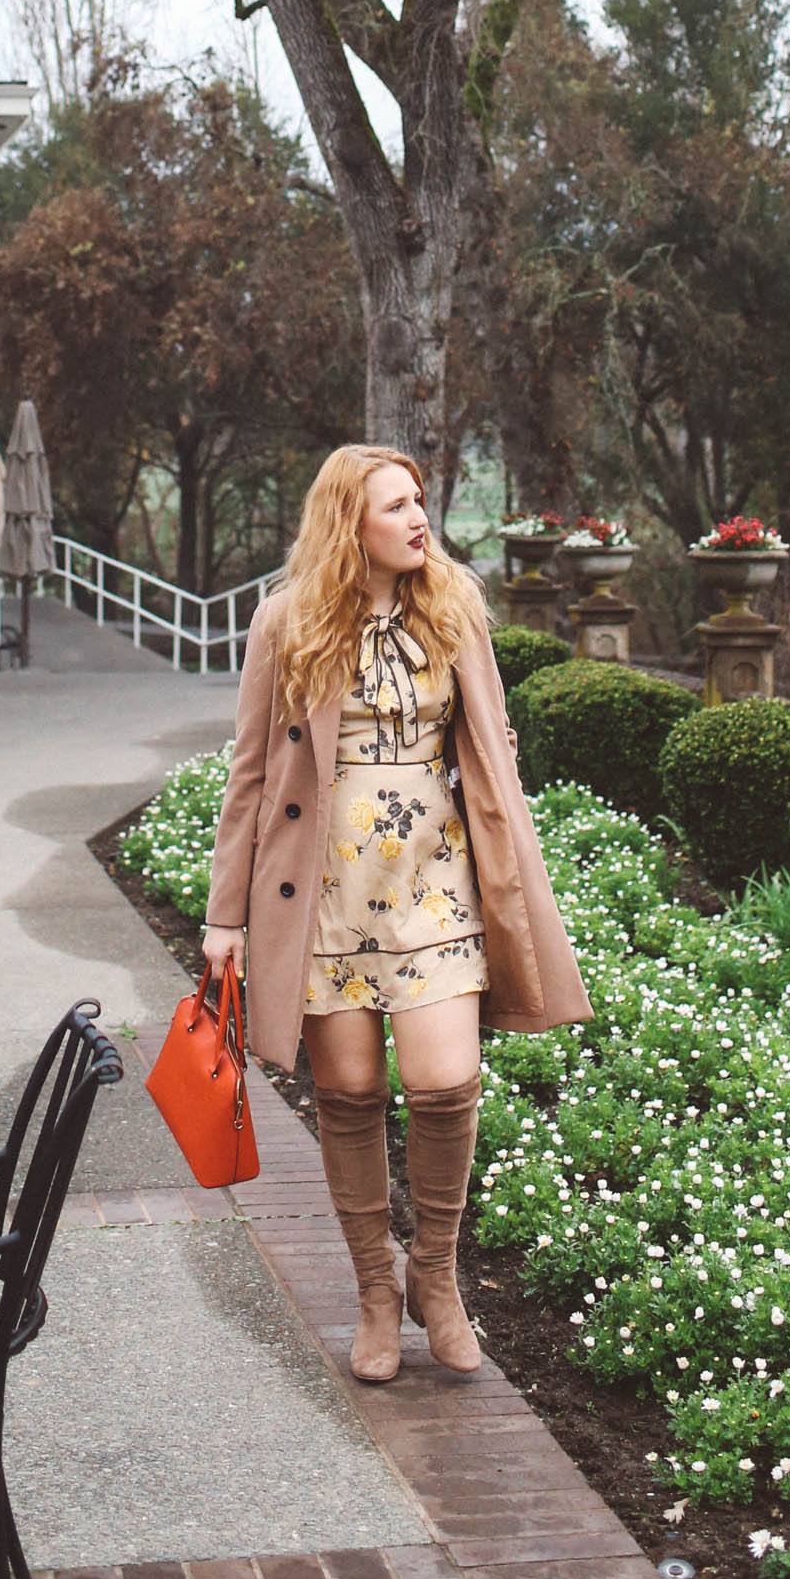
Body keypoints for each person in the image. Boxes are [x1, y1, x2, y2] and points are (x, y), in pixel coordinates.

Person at [203, 444, 591, 1383]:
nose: (419, 519)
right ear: (351, 526)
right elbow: (251, 774)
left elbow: (494, 744)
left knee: (448, 1082)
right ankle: (377, 1293)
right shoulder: (287, 625)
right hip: (326, 899)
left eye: (420, 502)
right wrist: (225, 918)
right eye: (396, 506)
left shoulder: (452, 611)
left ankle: (437, 1279)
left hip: (436, 886)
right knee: (347, 1096)